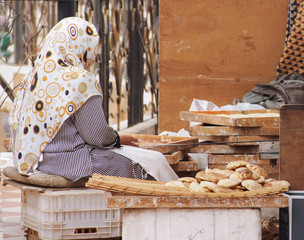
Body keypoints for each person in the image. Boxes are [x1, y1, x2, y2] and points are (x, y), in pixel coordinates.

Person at [8, 17, 178, 182]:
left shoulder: (33, 77)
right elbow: (97, 137)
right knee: (154, 162)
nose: (93, 55)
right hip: (74, 165)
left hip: (37, 163)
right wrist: (118, 138)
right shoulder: (79, 80)